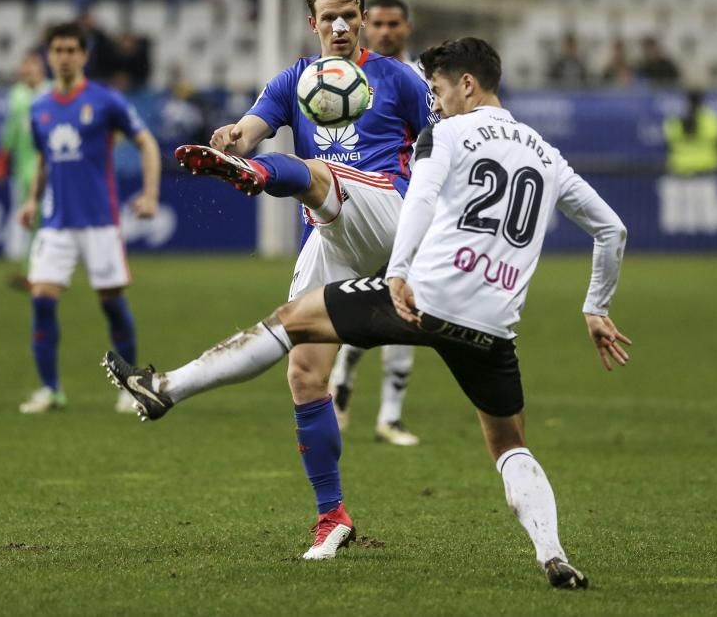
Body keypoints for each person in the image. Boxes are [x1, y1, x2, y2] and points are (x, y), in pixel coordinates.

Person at [103, 37, 630, 588]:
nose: (437, 100)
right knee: (510, 445)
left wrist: (397, 272)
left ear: (467, 85)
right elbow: (611, 229)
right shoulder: (546, 153)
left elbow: (421, 199)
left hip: (423, 300)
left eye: (440, 89)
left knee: (291, 321)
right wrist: (595, 307)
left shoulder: (446, 133)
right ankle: (553, 554)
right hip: (494, 323)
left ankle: (166, 389)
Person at [171, 0, 433, 558]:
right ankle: (331, 516)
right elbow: (252, 126)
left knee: (314, 173)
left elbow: (438, 144)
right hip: (333, 230)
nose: (339, 26)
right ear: (312, 22)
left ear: (361, 16)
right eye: (328, 16)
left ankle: (263, 176)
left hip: (388, 215)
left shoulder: (399, 79)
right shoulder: (293, 80)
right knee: (305, 373)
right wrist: (234, 140)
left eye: (349, 14)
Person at [16, 21, 161, 414]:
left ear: (84, 55)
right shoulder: (39, 107)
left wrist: (149, 195)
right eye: (57, 50)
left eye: (71, 50)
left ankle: (130, 386)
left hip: (100, 221)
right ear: (49, 55)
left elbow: (146, 143)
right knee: (42, 300)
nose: (64, 57)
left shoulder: (105, 100)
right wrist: (32, 201)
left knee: (111, 303)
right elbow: (44, 159)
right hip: (57, 223)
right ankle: (51, 390)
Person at [329, 0, 425, 446]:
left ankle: (390, 415)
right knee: (360, 305)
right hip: (354, 208)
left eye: (394, 24)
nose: (386, 31)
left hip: (406, 207)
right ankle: (343, 378)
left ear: (407, 28)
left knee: (405, 304)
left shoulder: (421, 80)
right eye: (380, 24)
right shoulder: (337, 76)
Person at [0, 51, 49, 291]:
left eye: (31, 66)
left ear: (41, 68)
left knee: (44, 221)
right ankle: (34, 272)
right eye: (23, 66)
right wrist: (1, 157)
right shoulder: (17, 95)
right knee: (36, 221)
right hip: (26, 169)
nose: (26, 70)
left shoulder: (51, 92)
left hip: (53, 167)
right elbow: (12, 129)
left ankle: (39, 271)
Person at [662, 88, 717, 176]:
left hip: (680, 168)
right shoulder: (713, 120)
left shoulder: (674, 121)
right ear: (702, 101)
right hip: (708, 167)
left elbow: (668, 145)